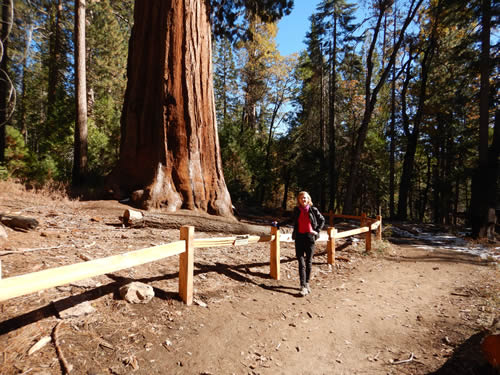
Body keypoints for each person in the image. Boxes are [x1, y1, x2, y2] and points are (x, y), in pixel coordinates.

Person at [275, 191, 325, 296]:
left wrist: (317, 231)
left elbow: (322, 220)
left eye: (305, 198)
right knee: (301, 261)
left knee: (309, 262)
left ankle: (307, 283)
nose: (303, 199)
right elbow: (291, 220)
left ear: (308, 199)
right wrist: (278, 224)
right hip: (299, 238)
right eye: (301, 198)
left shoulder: (313, 210)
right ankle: (302, 285)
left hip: (310, 238)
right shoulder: (297, 210)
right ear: (299, 200)